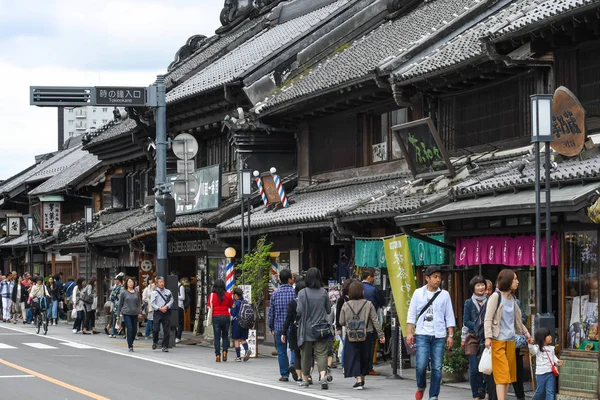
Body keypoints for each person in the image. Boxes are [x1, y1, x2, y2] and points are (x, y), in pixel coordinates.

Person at [406, 266, 456, 400]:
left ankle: (433, 395)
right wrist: (409, 332)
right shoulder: (418, 293)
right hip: (422, 333)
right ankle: (421, 386)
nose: (438, 280)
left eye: (439, 277)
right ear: (427, 278)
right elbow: (411, 314)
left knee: (437, 368)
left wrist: (450, 335)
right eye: (435, 277)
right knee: (421, 365)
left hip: (439, 335)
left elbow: (449, 316)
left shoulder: (444, 295)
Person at [484, 269, 532, 400]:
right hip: (498, 340)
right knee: (502, 374)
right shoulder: (496, 296)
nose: (517, 281)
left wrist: (527, 334)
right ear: (508, 281)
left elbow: (518, 320)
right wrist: (488, 337)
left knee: (508, 377)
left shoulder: (512, 299)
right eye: (515, 279)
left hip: (511, 341)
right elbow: (488, 318)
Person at [339, 280, 385, 390]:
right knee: (365, 357)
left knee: (353, 357)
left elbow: (341, 321)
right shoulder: (368, 304)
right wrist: (381, 334)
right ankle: (362, 378)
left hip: (351, 335)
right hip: (367, 334)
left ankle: (359, 379)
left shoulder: (346, 305)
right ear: (361, 291)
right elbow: (375, 320)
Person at [296, 267, 331, 390]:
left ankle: (305, 379)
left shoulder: (302, 293)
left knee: (305, 354)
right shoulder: (323, 292)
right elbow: (329, 310)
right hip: (321, 329)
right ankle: (322, 377)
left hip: (306, 329)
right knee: (321, 353)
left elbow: (299, 311)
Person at [268, 268, 296, 381]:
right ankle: (293, 364)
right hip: (293, 326)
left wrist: (271, 326)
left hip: (279, 326)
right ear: (289, 279)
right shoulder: (295, 293)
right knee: (294, 348)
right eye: (292, 278)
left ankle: (284, 374)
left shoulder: (275, 294)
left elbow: (271, 312)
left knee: (281, 351)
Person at [462, 275, 487, 400]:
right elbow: (466, 321)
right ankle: (475, 395)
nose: (481, 287)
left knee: (487, 367)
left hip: (486, 338)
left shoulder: (490, 300)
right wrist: (477, 325)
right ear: (473, 288)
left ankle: (486, 391)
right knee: (474, 369)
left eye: (482, 284)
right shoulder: (468, 303)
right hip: (473, 338)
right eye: (478, 285)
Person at [282, 280, 306, 383]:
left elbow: (288, 319)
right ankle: (307, 375)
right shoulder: (308, 302)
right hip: (306, 330)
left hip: (294, 330)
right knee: (307, 354)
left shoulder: (292, 303)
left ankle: (299, 376)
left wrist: (284, 332)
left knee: (296, 353)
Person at [361, 268, 384, 376]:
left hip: (357, 321)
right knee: (370, 345)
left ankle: (360, 367)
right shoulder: (373, 290)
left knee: (359, 345)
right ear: (369, 277)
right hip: (371, 321)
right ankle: (369, 368)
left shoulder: (357, 287)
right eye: (373, 276)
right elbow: (381, 302)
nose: (374, 278)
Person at [529, 327, 562, 400]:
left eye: (550, 335)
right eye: (548, 335)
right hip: (541, 374)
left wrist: (557, 361)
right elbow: (532, 351)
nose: (551, 337)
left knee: (550, 392)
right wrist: (530, 345)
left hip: (550, 373)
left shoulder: (551, 348)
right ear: (543, 338)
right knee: (540, 391)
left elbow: (553, 357)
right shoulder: (537, 348)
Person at [208, 279, 233, 362]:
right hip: (226, 316)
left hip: (216, 317)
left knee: (217, 337)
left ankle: (218, 355)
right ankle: (225, 351)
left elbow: (209, 305)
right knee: (225, 336)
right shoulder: (228, 295)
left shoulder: (212, 295)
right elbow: (231, 305)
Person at [117, 277, 142, 352]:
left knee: (134, 330)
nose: (131, 283)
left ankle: (131, 341)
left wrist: (140, 312)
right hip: (126, 313)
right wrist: (118, 314)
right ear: (126, 283)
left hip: (135, 313)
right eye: (129, 282)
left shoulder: (136, 292)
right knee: (130, 328)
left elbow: (139, 303)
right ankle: (130, 345)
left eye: (132, 282)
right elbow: (120, 304)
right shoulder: (124, 292)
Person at [151, 276, 174, 352]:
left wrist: (166, 306)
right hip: (158, 312)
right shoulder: (154, 293)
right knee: (156, 329)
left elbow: (172, 300)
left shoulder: (168, 292)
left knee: (166, 330)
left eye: (163, 282)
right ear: (157, 284)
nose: (162, 283)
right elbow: (152, 303)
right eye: (160, 282)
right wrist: (159, 308)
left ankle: (165, 346)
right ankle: (155, 341)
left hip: (166, 312)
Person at [231, 287, 252, 362]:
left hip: (237, 322)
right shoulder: (245, 302)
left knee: (236, 339)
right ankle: (247, 350)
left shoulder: (235, 303)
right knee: (243, 339)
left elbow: (233, 313)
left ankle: (238, 356)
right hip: (245, 322)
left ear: (236, 295)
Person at [335, 278, 352, 375]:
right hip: (344, 326)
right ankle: (345, 366)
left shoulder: (353, 298)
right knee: (345, 346)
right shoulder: (342, 299)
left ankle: (348, 365)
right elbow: (338, 314)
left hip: (351, 326)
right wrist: (338, 327)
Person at [176, 277, 186, 344]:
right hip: (173, 305)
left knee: (180, 322)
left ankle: (178, 337)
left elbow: (183, 297)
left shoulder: (180, 286)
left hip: (179, 306)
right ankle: (176, 335)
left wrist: (175, 296)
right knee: (173, 322)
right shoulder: (171, 286)